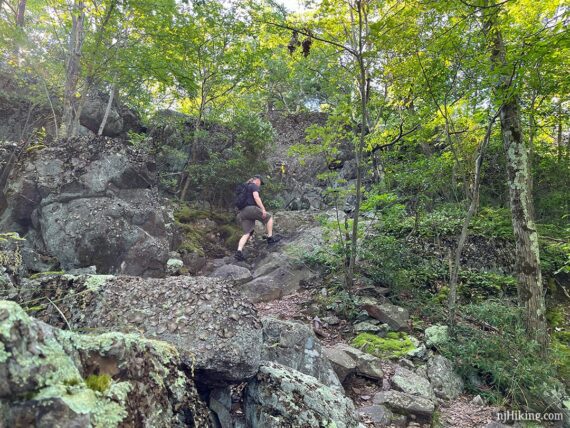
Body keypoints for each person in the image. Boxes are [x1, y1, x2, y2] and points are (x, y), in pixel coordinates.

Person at [235, 174, 279, 261]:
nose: (259, 185)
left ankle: (239, 252)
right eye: (260, 183)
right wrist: (263, 209)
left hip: (242, 212)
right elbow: (256, 197)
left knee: (247, 233)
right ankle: (270, 238)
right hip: (250, 208)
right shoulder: (253, 186)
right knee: (269, 217)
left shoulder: (245, 187)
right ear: (257, 180)